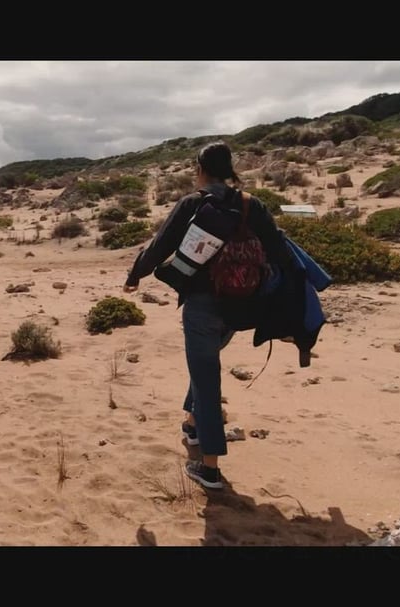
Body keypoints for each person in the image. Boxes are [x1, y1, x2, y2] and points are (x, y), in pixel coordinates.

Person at [123, 141, 292, 489]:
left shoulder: (193, 203)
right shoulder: (251, 204)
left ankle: (210, 467)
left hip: (202, 304)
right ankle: (192, 425)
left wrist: (135, 274)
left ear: (200, 169)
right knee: (204, 367)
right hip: (242, 305)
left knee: (206, 377)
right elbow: (279, 249)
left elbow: (161, 245)